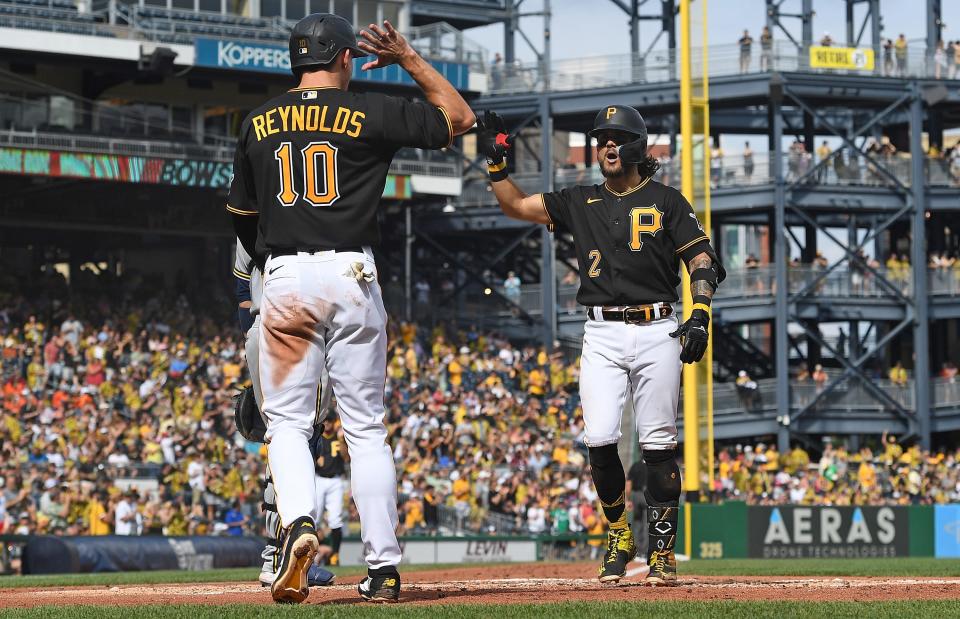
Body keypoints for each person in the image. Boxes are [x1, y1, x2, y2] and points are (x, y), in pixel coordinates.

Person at [227, 12, 474, 604]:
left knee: (288, 423)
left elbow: (242, 217)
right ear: (345, 58)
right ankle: (384, 570)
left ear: (296, 62)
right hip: (352, 273)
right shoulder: (367, 111)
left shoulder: (258, 121)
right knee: (364, 429)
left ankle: (299, 525)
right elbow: (459, 117)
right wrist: (409, 59)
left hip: (285, 274)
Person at [476, 104, 724, 585]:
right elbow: (516, 205)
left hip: (657, 328)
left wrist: (700, 312)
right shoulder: (580, 199)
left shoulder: (668, 200)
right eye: (601, 139)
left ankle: (662, 552)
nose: (608, 146)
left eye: (618, 138)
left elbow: (702, 261)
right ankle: (618, 536)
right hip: (602, 331)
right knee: (600, 439)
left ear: (638, 146)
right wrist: (496, 164)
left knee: (658, 443)